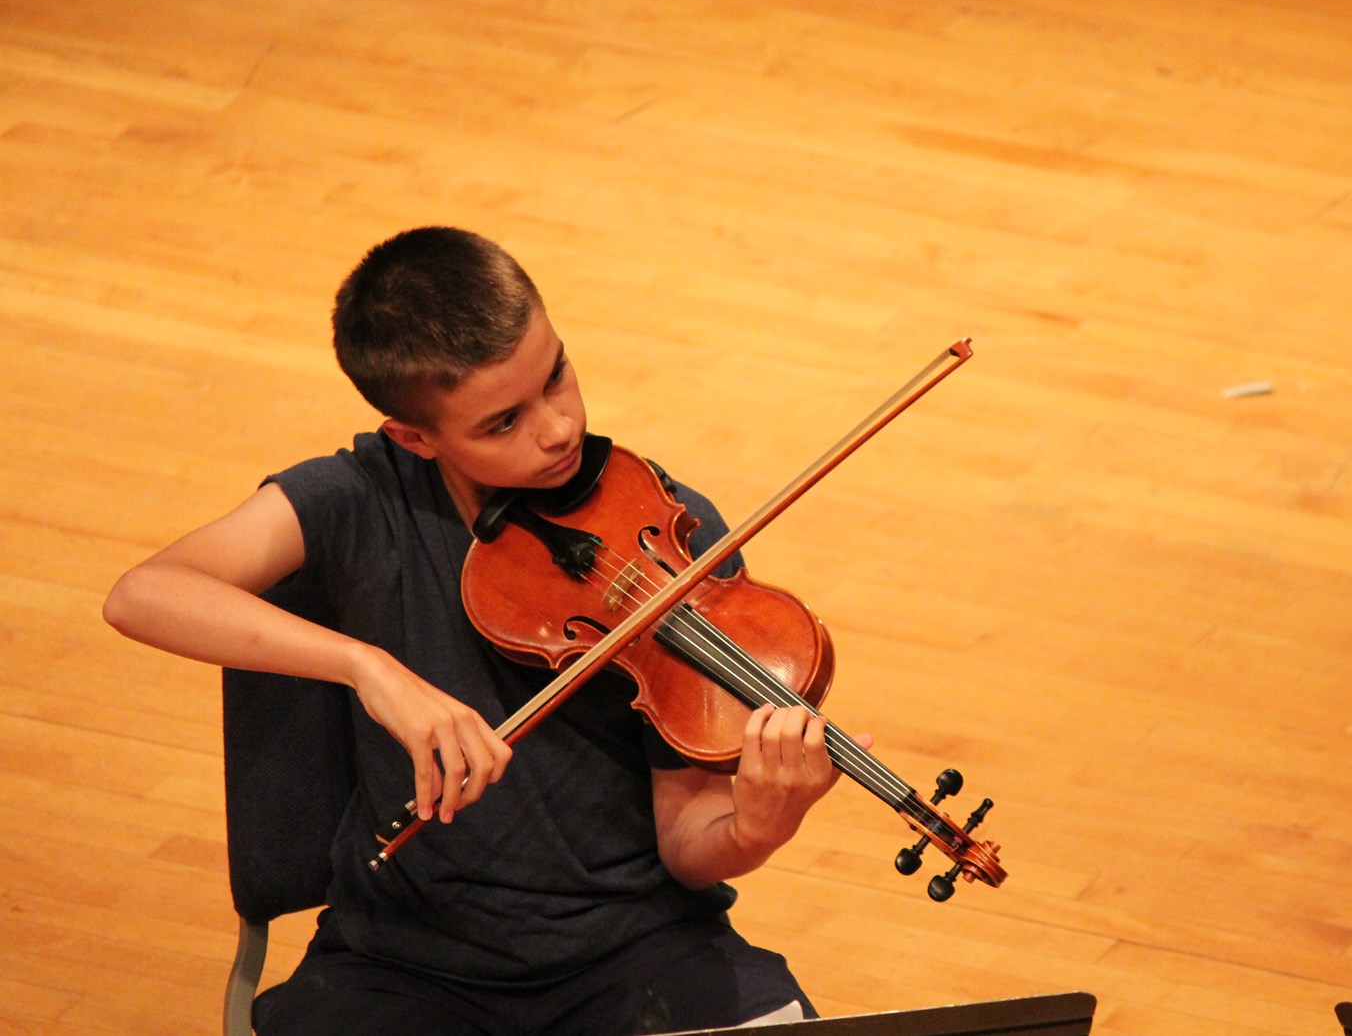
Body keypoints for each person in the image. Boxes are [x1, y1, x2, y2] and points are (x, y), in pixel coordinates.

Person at [103, 226, 862, 1035]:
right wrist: (367, 667)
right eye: (503, 422)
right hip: (402, 964)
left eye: (557, 373)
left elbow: (686, 838)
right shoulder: (357, 501)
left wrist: (755, 826)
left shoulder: (668, 533)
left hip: (640, 950)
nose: (558, 428)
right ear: (415, 436)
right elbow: (142, 593)